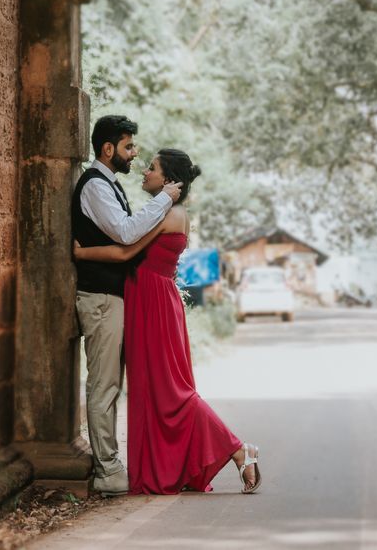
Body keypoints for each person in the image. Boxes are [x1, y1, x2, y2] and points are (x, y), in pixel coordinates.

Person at [74, 148, 261, 496]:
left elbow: (126, 249)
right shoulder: (174, 212)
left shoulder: (169, 213)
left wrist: (81, 252)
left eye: (153, 168)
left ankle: (238, 449)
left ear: (169, 180)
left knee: (172, 394)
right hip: (153, 300)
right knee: (156, 393)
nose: (146, 172)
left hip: (153, 305)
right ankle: (179, 465)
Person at [72, 114, 183, 497]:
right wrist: (164, 200)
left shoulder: (109, 185)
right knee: (103, 385)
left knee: (112, 385)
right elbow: (125, 233)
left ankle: (112, 464)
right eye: (129, 146)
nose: (134, 154)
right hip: (100, 300)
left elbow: (126, 245)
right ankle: (108, 470)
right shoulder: (95, 186)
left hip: (114, 300)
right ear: (108, 148)